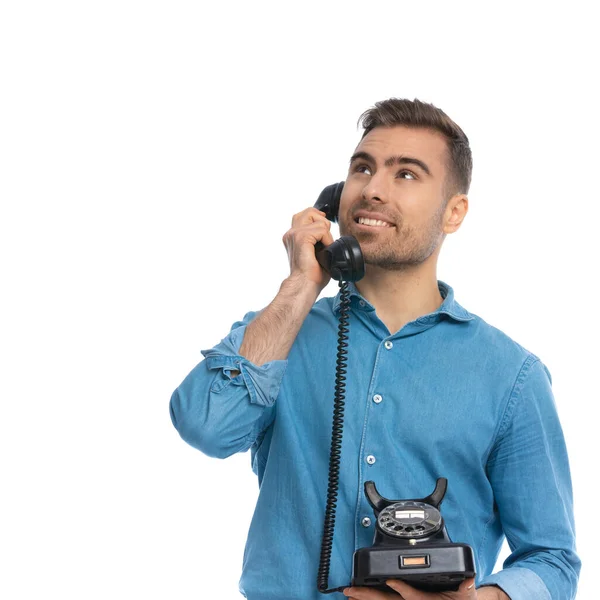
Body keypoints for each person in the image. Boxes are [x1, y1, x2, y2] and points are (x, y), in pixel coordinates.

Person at [169, 98, 580, 600]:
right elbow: (205, 427)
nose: (374, 190)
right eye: (363, 168)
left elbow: (552, 558)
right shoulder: (277, 334)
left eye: (406, 174)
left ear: (454, 212)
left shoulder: (513, 374)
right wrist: (301, 284)